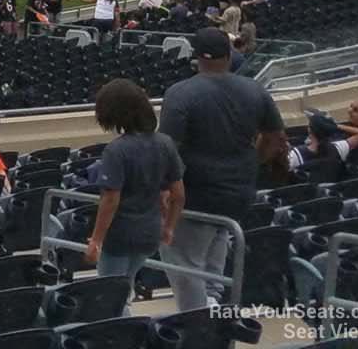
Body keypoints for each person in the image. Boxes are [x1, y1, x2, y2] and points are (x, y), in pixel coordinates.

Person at [159, 27, 285, 309]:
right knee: (214, 254)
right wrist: (254, 161)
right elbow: (276, 138)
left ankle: (199, 328)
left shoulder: (181, 93)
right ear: (229, 55)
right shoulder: (254, 88)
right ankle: (212, 311)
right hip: (238, 195)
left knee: (187, 268)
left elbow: (166, 149)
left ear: (196, 58)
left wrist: (164, 189)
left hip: (195, 197)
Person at [84, 78, 185, 281]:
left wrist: (96, 240)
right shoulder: (165, 143)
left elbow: (110, 199)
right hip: (150, 233)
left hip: (121, 235)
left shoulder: (116, 150)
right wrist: (169, 227)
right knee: (125, 284)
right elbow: (178, 194)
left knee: (110, 292)